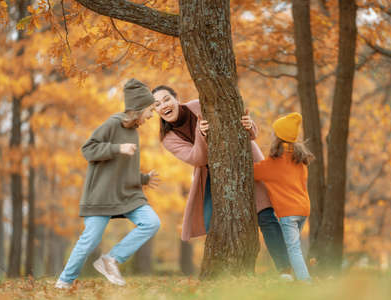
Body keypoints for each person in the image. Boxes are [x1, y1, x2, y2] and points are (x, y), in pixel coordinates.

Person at [152, 85, 291, 278]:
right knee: (213, 223)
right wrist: (201, 134)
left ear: (176, 98)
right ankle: (225, 273)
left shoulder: (198, 106)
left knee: (265, 215)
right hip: (212, 174)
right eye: (157, 104)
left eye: (166, 99)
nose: (163, 105)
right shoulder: (168, 138)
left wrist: (249, 125)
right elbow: (197, 159)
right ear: (155, 111)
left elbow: (247, 133)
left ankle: (286, 271)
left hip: (244, 161)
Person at [55, 79, 161, 289]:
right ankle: (64, 282)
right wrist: (117, 149)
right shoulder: (113, 123)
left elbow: (121, 170)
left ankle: (111, 259)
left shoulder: (134, 132)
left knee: (151, 222)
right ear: (139, 108)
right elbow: (88, 150)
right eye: (150, 109)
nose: (151, 115)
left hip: (127, 194)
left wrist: (143, 179)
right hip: (101, 195)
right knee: (90, 240)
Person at [253, 112, 314, 281]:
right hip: (303, 210)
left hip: (288, 213)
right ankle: (292, 276)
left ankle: (305, 282)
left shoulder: (274, 162)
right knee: (292, 247)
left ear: (277, 137)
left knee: (294, 248)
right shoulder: (299, 160)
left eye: (274, 132)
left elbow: (253, 172)